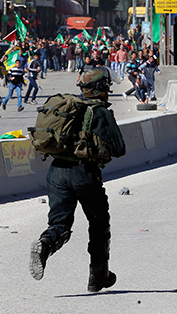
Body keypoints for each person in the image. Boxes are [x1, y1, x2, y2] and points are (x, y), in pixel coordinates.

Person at [30, 67, 126, 293]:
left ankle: (44, 245)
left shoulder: (68, 108)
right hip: (84, 173)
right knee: (99, 222)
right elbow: (119, 148)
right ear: (102, 89)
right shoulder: (99, 112)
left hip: (56, 172)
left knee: (60, 225)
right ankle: (98, 275)